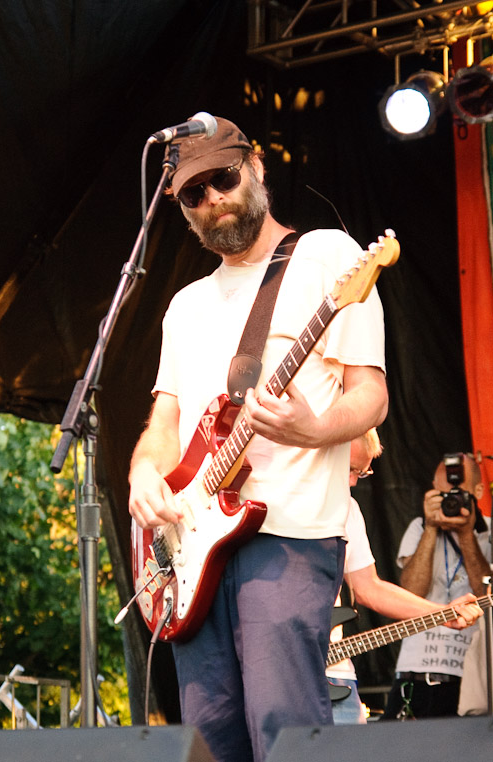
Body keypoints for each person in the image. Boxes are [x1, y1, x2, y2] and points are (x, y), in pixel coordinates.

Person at [128, 115, 389, 762]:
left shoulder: (328, 256)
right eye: (194, 193)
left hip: (290, 540)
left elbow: (372, 393)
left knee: (284, 730)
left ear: (257, 169)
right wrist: (142, 475)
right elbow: (164, 426)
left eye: (223, 178)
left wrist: (316, 427)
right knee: (209, 737)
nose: (213, 198)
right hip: (191, 550)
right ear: (180, 208)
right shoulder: (185, 305)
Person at [329, 432, 483, 724]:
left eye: (362, 472)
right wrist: (431, 527)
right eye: (350, 469)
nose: (353, 482)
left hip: (337, 674)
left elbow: (369, 587)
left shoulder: (348, 509)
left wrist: (442, 614)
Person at [382, 452, 491, 720]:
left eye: (458, 495)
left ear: (478, 491)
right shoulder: (419, 528)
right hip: (416, 673)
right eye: (443, 496)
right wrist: (431, 527)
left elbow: (486, 596)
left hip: (472, 679)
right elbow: (410, 593)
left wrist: (467, 535)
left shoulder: (489, 531)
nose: (451, 503)